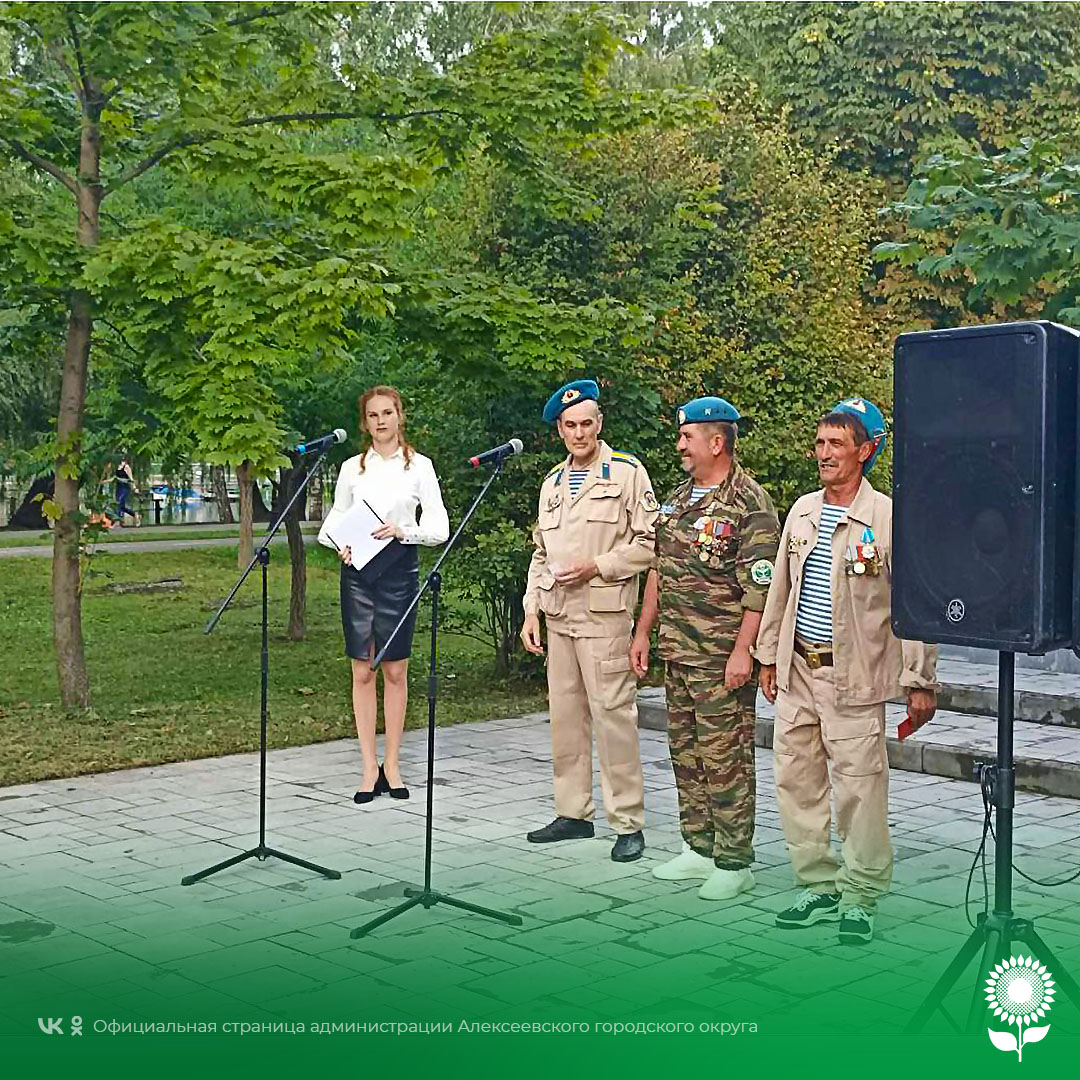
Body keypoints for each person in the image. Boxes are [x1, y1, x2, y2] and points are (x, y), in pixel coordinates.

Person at [755, 398, 938, 944]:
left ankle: (861, 895)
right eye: (819, 443)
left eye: (837, 444)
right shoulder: (803, 511)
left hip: (854, 677)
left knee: (859, 789)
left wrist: (920, 679)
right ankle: (818, 883)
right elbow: (780, 592)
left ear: (867, 450)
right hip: (799, 672)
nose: (824, 454)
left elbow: (915, 604)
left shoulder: (888, 516)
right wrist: (768, 654)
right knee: (797, 780)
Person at [631, 397, 780, 900]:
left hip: (720, 657)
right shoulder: (678, 500)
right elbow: (658, 568)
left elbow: (760, 588)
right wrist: (642, 632)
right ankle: (698, 847)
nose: (679, 445)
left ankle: (735, 860)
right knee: (687, 754)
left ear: (716, 442)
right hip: (678, 651)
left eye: (687, 437)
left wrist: (745, 652)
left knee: (727, 758)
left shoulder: (750, 504)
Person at [521, 379, 659, 862]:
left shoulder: (626, 474)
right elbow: (541, 553)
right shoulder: (553, 483)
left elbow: (648, 544)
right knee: (566, 720)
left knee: (613, 719)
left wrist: (596, 566)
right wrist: (530, 609)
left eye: (587, 423)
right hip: (559, 616)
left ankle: (628, 821)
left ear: (600, 425)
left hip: (604, 617)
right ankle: (573, 813)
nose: (579, 433)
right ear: (559, 431)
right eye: (570, 426)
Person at [318, 386, 449, 805]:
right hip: (358, 573)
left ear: (400, 416)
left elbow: (439, 528)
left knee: (394, 670)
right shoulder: (351, 468)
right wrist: (338, 542)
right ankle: (367, 766)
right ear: (364, 422)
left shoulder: (420, 467)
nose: (381, 421)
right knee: (362, 671)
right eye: (373, 415)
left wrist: (402, 530)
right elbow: (331, 521)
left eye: (388, 413)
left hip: (398, 571)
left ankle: (392, 764)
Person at [114, 456, 141, 527]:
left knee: (119, 503)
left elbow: (131, 478)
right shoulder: (117, 466)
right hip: (118, 488)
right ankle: (134, 515)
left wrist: (135, 488)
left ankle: (119, 521)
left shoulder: (126, 467)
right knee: (120, 506)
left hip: (125, 488)